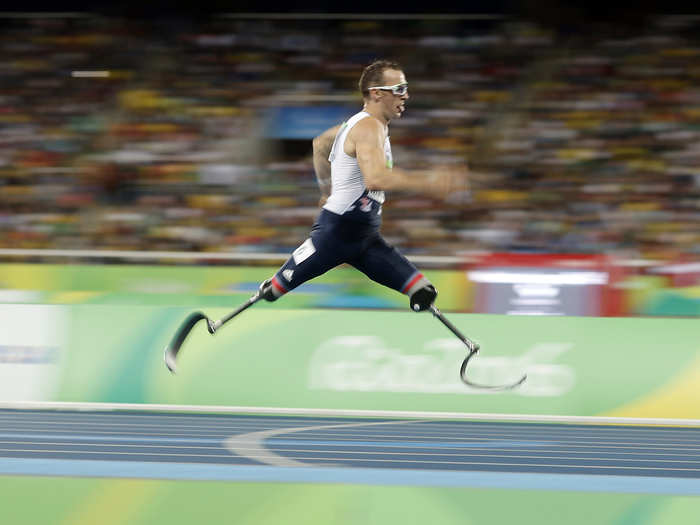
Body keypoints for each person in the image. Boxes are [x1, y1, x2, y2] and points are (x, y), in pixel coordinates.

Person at [258, 59, 468, 312]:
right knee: (273, 290)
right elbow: (376, 178)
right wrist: (430, 181)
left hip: (364, 238)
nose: (407, 95)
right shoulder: (369, 127)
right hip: (336, 235)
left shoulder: (358, 124)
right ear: (377, 93)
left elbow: (319, 144)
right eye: (400, 89)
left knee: (423, 291)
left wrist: (326, 190)